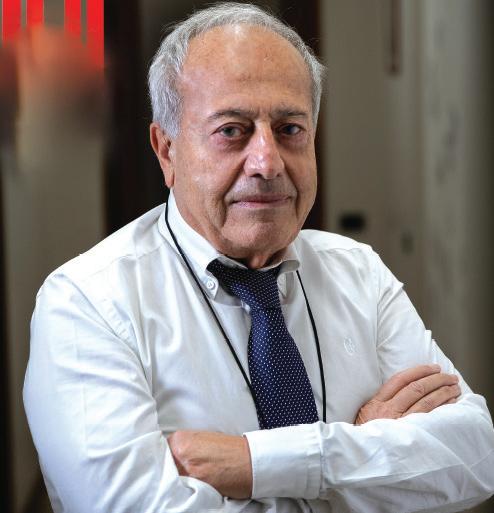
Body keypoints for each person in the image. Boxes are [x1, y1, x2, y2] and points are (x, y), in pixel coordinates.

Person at [24, 3, 494, 512]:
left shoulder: (359, 272)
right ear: (167, 151)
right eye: (232, 130)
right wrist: (366, 454)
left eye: (290, 129)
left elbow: (476, 457)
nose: (267, 163)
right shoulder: (88, 303)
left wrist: (253, 465)